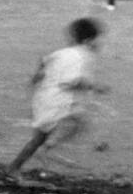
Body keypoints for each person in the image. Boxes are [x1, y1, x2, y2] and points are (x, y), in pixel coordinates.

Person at [6, 17, 108, 177]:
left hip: (42, 99)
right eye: (98, 40)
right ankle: (47, 150)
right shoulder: (83, 56)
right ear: (89, 40)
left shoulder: (61, 53)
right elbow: (71, 82)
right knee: (77, 123)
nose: (100, 44)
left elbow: (42, 65)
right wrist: (95, 87)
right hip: (59, 102)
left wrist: (33, 86)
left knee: (38, 138)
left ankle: (14, 167)